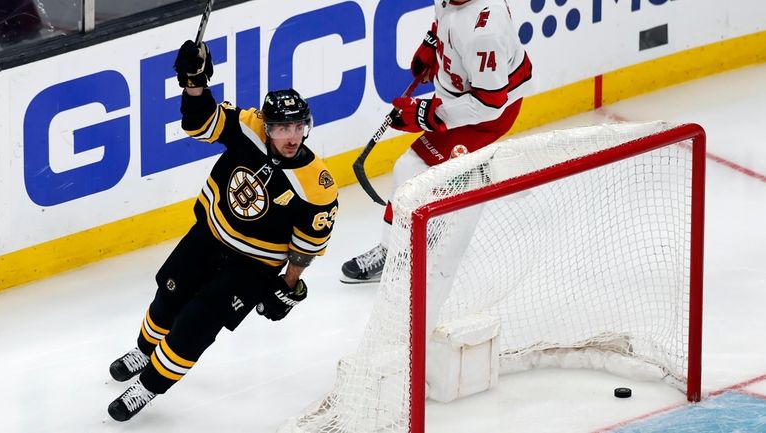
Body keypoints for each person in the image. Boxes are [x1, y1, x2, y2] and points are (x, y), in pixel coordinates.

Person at [106, 40, 339, 422]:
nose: (291, 136)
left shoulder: (318, 184)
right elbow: (200, 122)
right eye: (282, 127)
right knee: (168, 297)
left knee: (196, 325)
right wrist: (195, 82)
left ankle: (147, 387)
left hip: (251, 267)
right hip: (209, 237)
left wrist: (290, 283)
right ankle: (144, 349)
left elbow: (307, 244)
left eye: (297, 126)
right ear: (267, 125)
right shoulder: (247, 127)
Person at [340, 0, 533, 283]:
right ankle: (432, 223)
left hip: (484, 117)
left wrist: (424, 114)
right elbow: (445, 18)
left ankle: (393, 252)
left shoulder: (484, 32)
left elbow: (489, 104)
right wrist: (433, 44)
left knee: (409, 168)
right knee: (425, 170)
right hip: (462, 98)